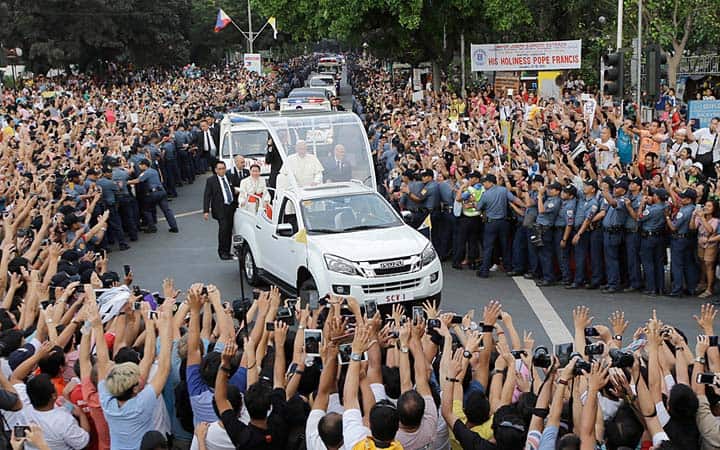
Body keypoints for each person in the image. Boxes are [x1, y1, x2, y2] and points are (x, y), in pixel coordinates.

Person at [475, 173, 523, 278]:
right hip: (503, 222)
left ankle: (484, 270)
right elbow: (514, 199)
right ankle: (508, 267)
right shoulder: (503, 190)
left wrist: (474, 203)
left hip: (491, 223)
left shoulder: (486, 195)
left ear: (490, 182)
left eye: (485, 182)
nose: (483, 184)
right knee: (505, 246)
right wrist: (524, 206)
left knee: (488, 247)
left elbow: (478, 207)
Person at [128, 159, 179, 234]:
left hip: (153, 194)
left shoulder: (145, 173)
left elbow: (138, 181)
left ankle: (152, 227)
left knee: (146, 210)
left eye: (140, 165)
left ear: (144, 165)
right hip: (162, 192)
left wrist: (127, 182)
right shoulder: (154, 171)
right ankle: (174, 226)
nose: (139, 167)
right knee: (167, 210)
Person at [666, 188, 699, 296]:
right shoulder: (694, 208)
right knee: (689, 264)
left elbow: (673, 227)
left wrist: (667, 217)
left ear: (689, 200)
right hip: (690, 239)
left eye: (683, 197)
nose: (680, 199)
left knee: (677, 265)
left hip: (680, 239)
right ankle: (691, 288)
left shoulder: (684, 211)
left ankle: (677, 289)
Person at [203, 161, 238, 260]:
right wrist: (206, 211)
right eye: (220, 169)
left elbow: (234, 189)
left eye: (223, 168)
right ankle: (222, 252)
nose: (222, 170)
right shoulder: (211, 181)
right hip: (220, 209)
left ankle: (227, 251)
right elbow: (207, 196)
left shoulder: (230, 177)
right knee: (223, 229)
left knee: (229, 230)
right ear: (216, 170)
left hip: (231, 207)